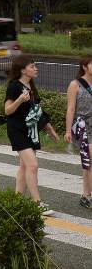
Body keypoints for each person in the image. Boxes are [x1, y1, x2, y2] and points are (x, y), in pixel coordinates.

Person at [5, 56, 61, 215]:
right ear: (23, 70)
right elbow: (7, 110)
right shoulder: (14, 86)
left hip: (31, 131)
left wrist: (50, 130)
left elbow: (37, 111)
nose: (36, 68)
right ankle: (37, 203)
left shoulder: (31, 86)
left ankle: (16, 200)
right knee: (33, 166)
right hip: (17, 130)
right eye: (32, 66)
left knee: (24, 167)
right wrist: (20, 100)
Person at [64, 55, 92, 210]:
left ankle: (85, 195)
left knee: (88, 164)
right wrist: (68, 130)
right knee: (90, 160)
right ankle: (87, 196)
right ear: (84, 67)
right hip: (83, 126)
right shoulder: (75, 85)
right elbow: (71, 109)